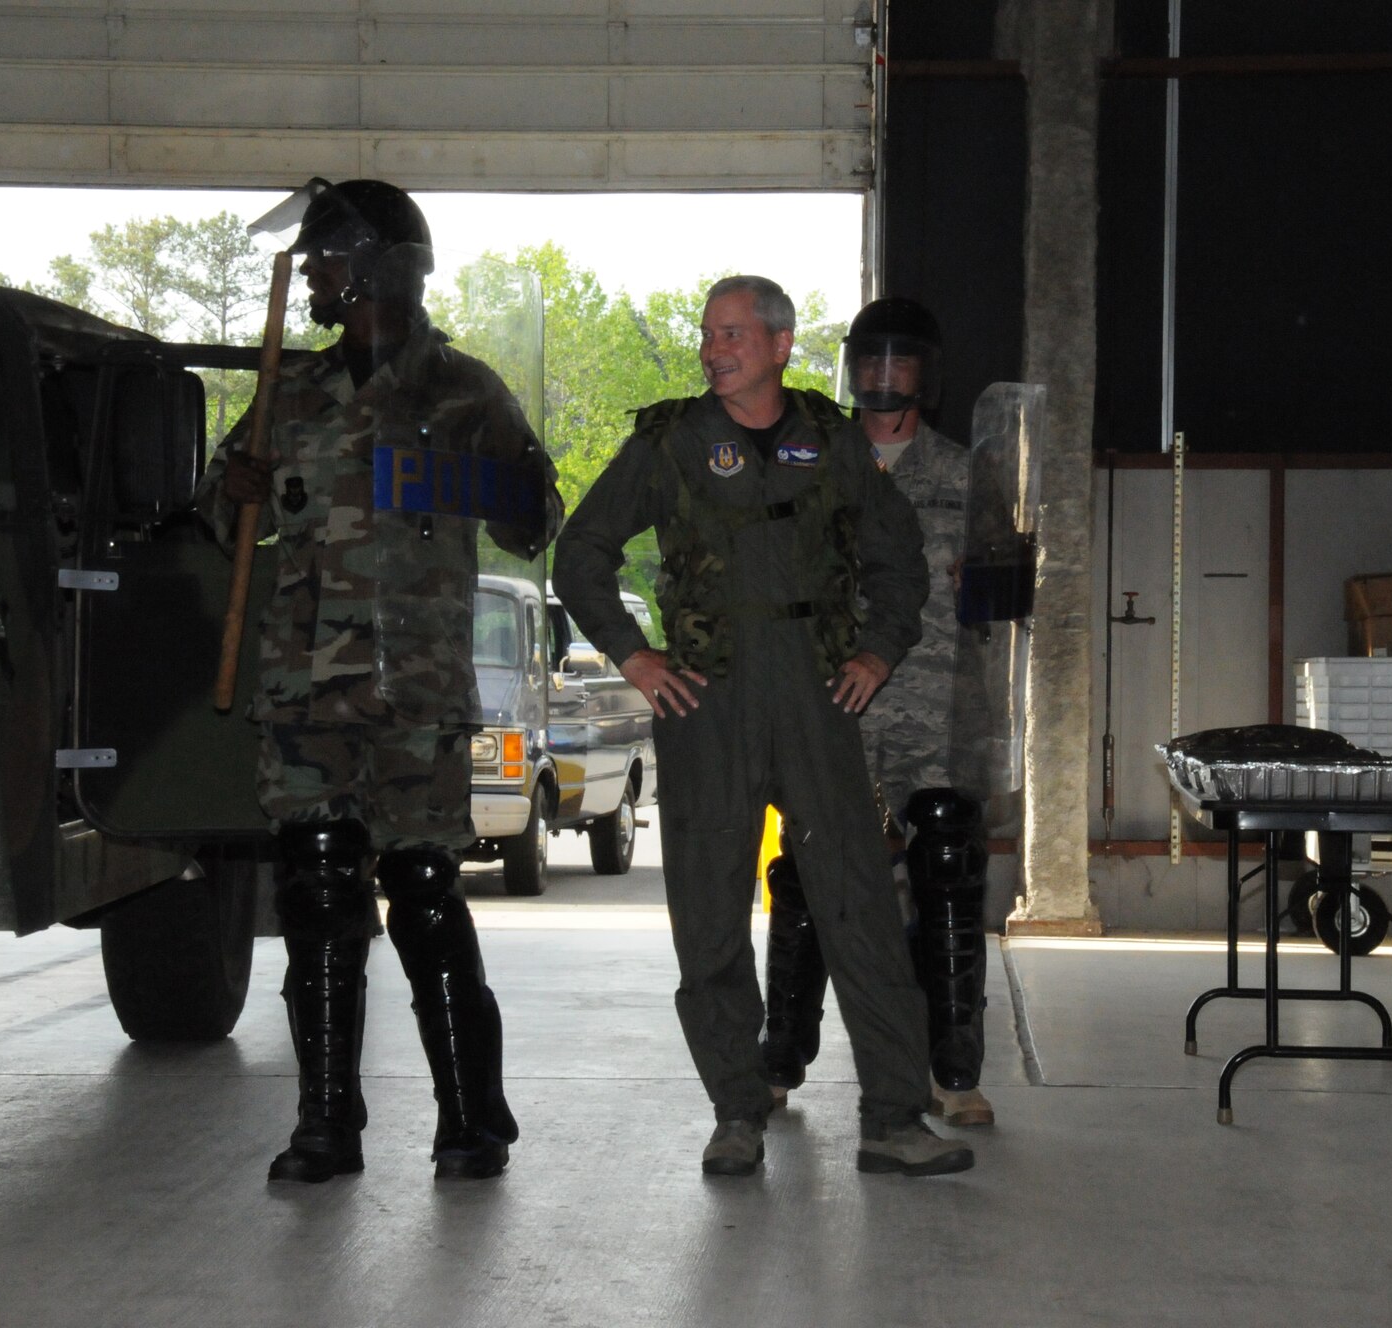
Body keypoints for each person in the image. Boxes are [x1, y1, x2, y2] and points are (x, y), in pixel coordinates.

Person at [553, 275, 973, 1179]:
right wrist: (635, 656)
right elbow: (580, 554)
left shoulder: (830, 440)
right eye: (708, 334)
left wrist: (876, 654)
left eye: (735, 334)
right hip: (710, 701)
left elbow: (900, 561)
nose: (715, 349)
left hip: (820, 701)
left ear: (781, 345)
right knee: (708, 913)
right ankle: (736, 1112)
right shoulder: (671, 443)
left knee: (857, 901)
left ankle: (894, 1117)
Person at [197, 178, 561, 1184]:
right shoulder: (290, 393)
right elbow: (219, 520)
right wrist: (227, 490)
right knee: (315, 895)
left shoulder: (464, 392)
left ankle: (470, 1118)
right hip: (305, 686)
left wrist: (485, 484)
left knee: (424, 888)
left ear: (375, 266)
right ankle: (325, 1122)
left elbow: (537, 517)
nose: (310, 272)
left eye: (323, 255)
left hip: (418, 686)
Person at [760, 296, 996, 1128]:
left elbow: (1009, 594)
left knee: (947, 877)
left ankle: (953, 1073)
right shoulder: (811, 464)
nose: (882, 378)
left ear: (926, 378)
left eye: (899, 364)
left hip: (936, 709)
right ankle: (778, 1060)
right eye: (869, 363)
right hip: (833, 710)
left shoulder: (971, 477)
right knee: (808, 877)